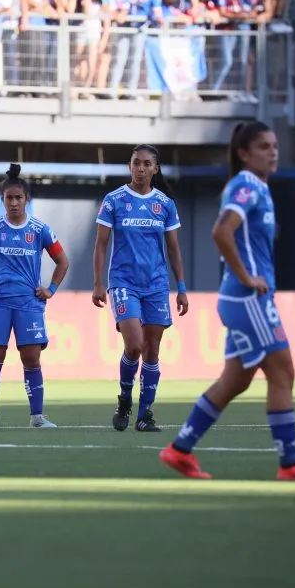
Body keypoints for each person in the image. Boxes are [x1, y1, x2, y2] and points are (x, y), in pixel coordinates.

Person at [159, 122, 295, 481]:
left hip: (242, 299)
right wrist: (246, 277)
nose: (273, 151)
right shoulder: (246, 185)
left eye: (274, 145)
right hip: (248, 298)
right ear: (243, 153)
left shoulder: (257, 187)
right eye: (263, 146)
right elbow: (221, 231)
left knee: (236, 380)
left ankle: (179, 450)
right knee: (282, 371)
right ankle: (290, 463)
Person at [93, 144, 189, 433]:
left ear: (155, 169)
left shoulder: (165, 205)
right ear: (129, 166)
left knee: (152, 351)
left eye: (147, 164)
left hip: (157, 286)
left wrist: (181, 288)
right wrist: (98, 283)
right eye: (136, 163)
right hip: (123, 283)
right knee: (134, 345)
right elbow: (101, 244)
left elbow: (173, 248)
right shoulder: (114, 200)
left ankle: (145, 415)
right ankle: (124, 398)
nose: (141, 169)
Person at [0, 164, 70, 429]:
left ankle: (37, 416)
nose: (13, 202)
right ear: (2, 199)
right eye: (9, 198)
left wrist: (51, 289)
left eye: (18, 197)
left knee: (32, 358)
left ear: (27, 199)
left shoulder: (39, 229)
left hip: (29, 303)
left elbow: (62, 261)